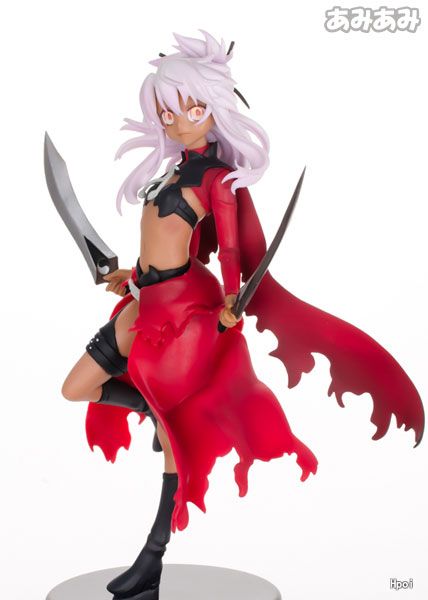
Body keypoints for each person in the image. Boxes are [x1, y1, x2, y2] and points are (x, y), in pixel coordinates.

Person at [60, 31, 424, 600]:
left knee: (176, 431)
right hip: (145, 301)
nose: (177, 122)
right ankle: (153, 412)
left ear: (213, 107)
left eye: (190, 109)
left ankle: (152, 557)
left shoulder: (215, 180)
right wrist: (130, 276)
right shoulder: (171, 172)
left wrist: (233, 301)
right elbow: (161, 243)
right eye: (166, 111)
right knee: (76, 388)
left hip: (186, 313)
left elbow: (229, 249)